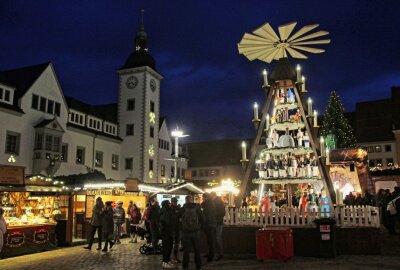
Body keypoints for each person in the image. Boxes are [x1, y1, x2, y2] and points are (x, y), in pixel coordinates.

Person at [181, 195, 204, 270]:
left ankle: (185, 266)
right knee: (197, 250)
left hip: (186, 232)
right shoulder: (197, 208)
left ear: (185, 200)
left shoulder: (183, 208)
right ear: (192, 200)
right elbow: (203, 219)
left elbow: (176, 217)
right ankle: (198, 266)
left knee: (186, 250)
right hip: (196, 232)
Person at [201, 193, 216, 262]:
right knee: (210, 240)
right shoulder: (211, 203)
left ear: (205, 197)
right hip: (211, 224)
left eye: (203, 197)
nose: (202, 198)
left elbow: (206, 214)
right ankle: (210, 254)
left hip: (208, 224)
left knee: (210, 240)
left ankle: (210, 256)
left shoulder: (206, 204)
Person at [160, 200, 175, 268]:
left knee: (167, 247)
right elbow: (167, 221)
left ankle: (167, 261)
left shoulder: (162, 210)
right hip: (167, 231)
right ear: (167, 204)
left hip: (165, 231)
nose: (170, 204)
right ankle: (165, 262)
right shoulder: (167, 211)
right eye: (169, 203)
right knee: (167, 247)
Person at [211, 192, 225, 261]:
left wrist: (214, 216)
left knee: (217, 237)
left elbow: (219, 212)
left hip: (217, 222)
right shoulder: (220, 202)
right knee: (217, 237)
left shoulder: (216, 202)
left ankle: (220, 253)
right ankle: (219, 253)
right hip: (219, 222)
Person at [170, 197, 181, 263]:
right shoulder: (170, 209)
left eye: (176, 201)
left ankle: (175, 257)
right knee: (172, 244)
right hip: (172, 229)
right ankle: (172, 258)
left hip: (177, 228)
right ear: (172, 202)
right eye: (175, 201)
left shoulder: (177, 208)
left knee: (176, 243)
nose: (176, 203)